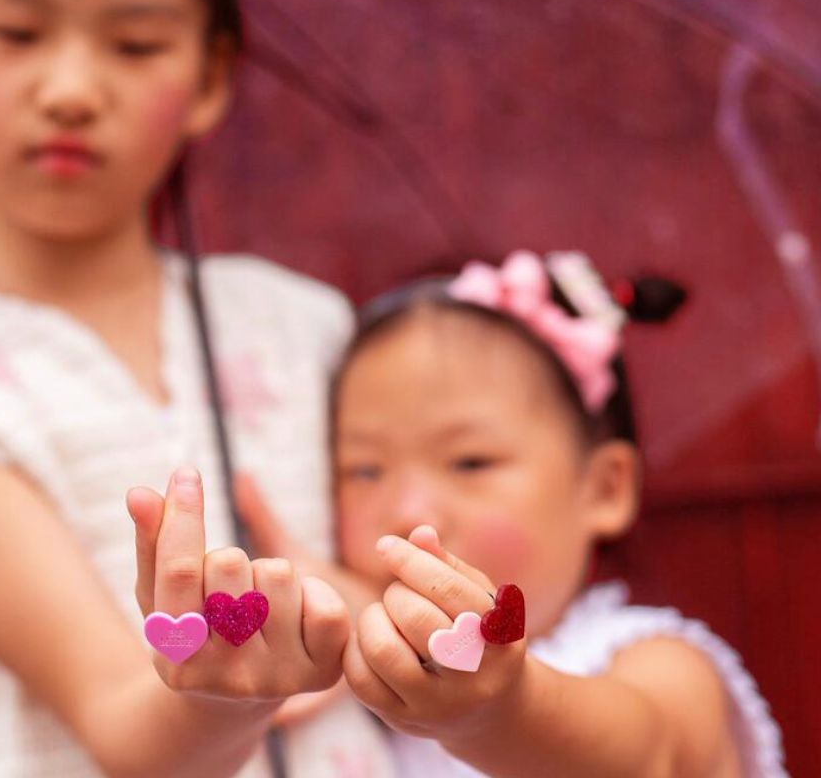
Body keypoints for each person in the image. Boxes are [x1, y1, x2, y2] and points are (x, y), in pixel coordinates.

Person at [0, 0, 394, 777]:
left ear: (207, 79)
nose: (72, 91)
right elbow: (121, 719)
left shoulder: (303, 325)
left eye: (137, 45)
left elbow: (406, 601)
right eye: (17, 32)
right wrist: (228, 686)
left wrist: (341, 609)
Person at [330, 250, 788, 778]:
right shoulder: (352, 710)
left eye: (470, 461)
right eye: (363, 470)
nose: (409, 510)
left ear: (604, 488)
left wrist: (498, 710)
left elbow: (650, 756)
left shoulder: (654, 662)